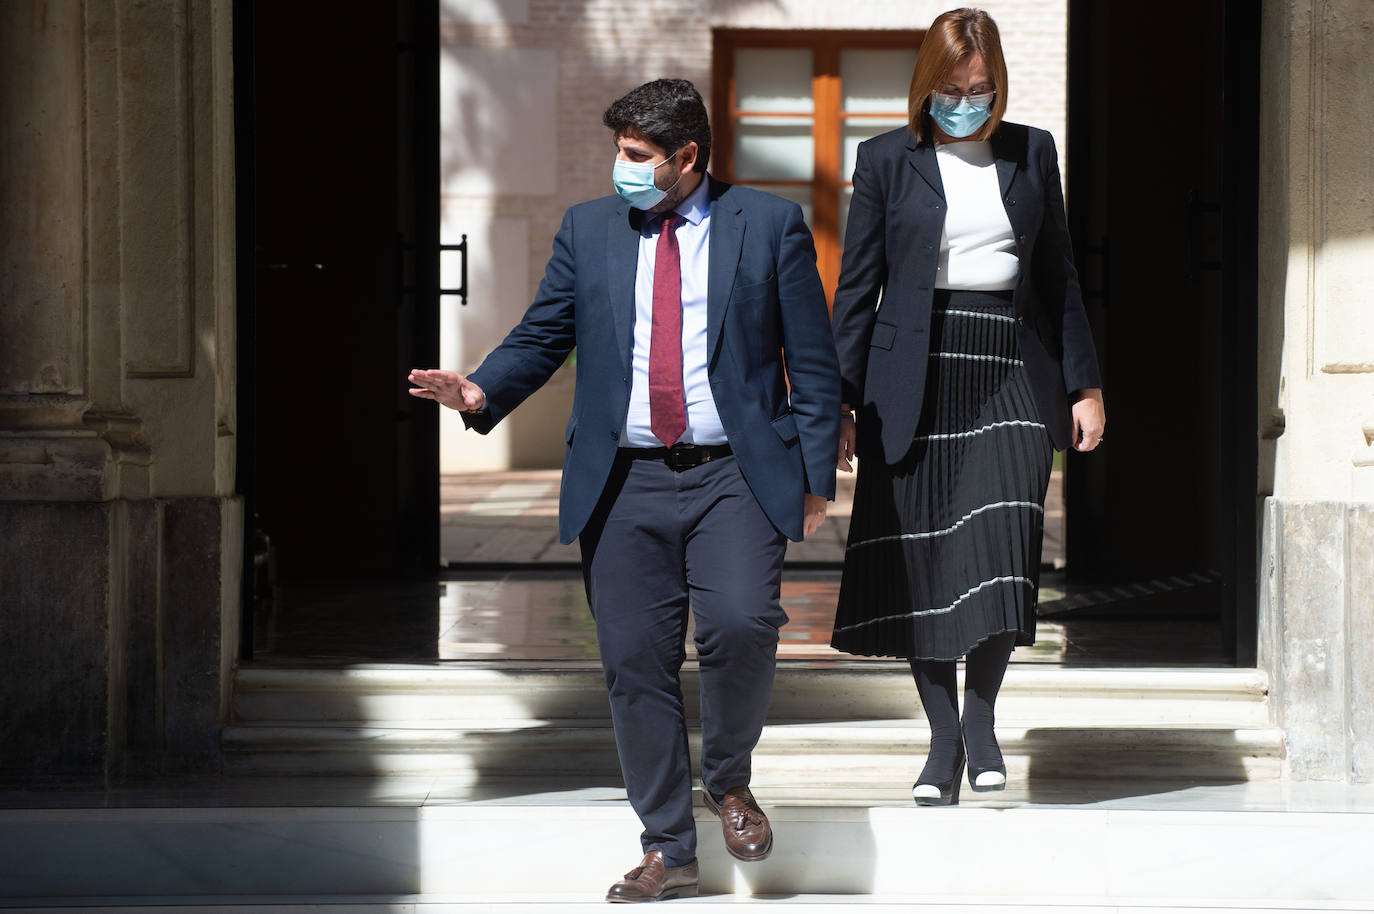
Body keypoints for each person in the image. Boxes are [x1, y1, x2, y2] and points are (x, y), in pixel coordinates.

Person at [409, 79, 840, 902]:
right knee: (634, 663)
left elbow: (811, 361)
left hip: (735, 474)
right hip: (624, 481)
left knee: (743, 624)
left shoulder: (769, 224)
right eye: (618, 152)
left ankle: (730, 780)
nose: (622, 169)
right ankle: (668, 850)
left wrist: (815, 476)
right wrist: (480, 392)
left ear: (686, 157)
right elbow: (545, 330)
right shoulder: (590, 229)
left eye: (637, 157)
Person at [829, 8, 1105, 806]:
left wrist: (1086, 385)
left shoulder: (1031, 150)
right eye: (952, 90)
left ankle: (981, 719)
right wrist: (840, 406)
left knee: (1002, 540)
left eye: (981, 90)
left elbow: (1058, 277)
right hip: (910, 372)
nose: (968, 103)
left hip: (1012, 363)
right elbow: (857, 291)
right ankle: (943, 742)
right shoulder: (886, 159)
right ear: (927, 86)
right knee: (925, 561)